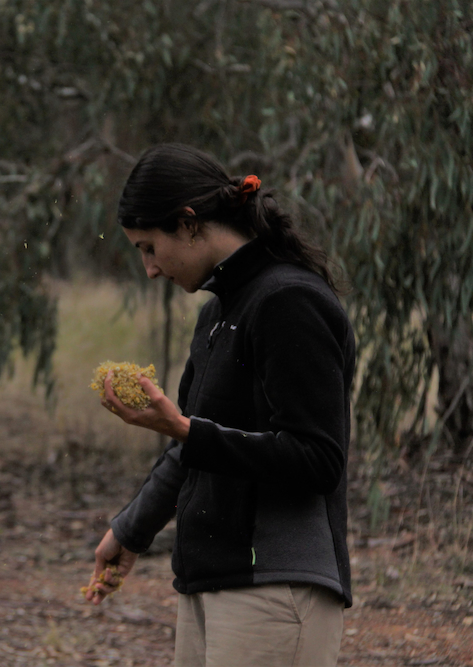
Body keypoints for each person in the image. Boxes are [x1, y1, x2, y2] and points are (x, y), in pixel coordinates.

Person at [86, 143, 355, 667]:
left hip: (277, 588)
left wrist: (185, 430)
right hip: (211, 580)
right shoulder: (218, 315)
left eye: (148, 247)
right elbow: (198, 446)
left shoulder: (288, 301)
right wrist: (130, 530)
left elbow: (317, 460)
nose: (150, 269)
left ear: (188, 223)